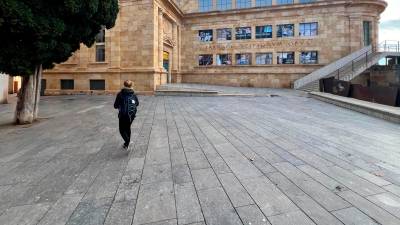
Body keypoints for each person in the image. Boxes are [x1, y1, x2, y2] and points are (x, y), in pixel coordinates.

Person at [114, 80, 139, 150]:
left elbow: (115, 106)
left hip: (123, 115)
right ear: (131, 86)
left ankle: (127, 142)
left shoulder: (120, 94)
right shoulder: (133, 94)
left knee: (121, 130)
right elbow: (137, 104)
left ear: (124, 85)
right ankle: (127, 143)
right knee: (128, 128)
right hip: (131, 115)